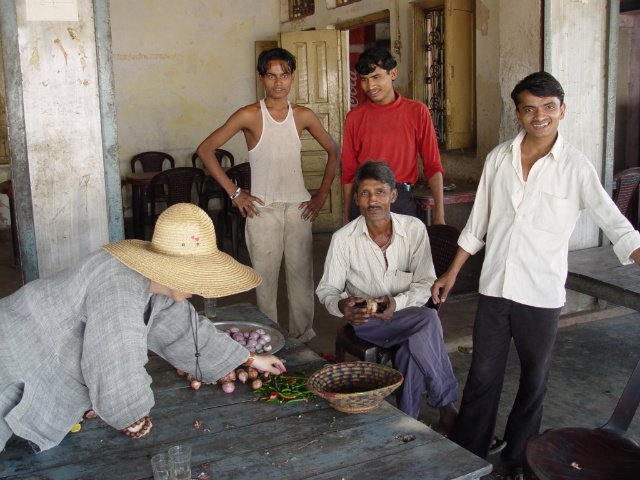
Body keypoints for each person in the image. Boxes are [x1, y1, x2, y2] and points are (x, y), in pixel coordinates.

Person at [430, 71, 640, 480]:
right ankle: (469, 454)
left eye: (548, 107)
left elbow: (613, 223)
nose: (539, 116)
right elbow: (479, 224)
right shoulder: (498, 158)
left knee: (533, 382)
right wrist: (452, 272)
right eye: (530, 108)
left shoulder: (577, 167)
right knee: (483, 374)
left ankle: (516, 461)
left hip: (541, 294)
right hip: (495, 287)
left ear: (562, 111)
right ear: (518, 113)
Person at [0, 203, 286, 452]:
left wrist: (249, 358)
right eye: (197, 278)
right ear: (173, 272)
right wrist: (131, 416)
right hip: (16, 350)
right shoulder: (119, 285)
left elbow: (183, 329)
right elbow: (115, 359)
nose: (200, 290)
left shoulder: (153, 283)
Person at [197, 47, 339, 344]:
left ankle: (302, 340)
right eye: (271, 75)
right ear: (261, 77)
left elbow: (334, 150)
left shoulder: (302, 115)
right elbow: (206, 150)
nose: (278, 82)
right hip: (261, 212)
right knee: (265, 282)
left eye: (284, 75)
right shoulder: (249, 114)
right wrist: (235, 193)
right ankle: (271, 340)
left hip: (299, 210)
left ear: (292, 77)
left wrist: (321, 195)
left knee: (301, 280)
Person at [316, 161, 458, 433]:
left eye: (380, 192)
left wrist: (398, 303)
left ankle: (407, 419)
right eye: (365, 193)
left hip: (406, 314)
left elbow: (426, 282)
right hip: (366, 321)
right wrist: (342, 305)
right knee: (427, 321)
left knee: (411, 343)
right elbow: (327, 290)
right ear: (356, 198)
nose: (373, 200)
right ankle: (446, 406)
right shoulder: (343, 239)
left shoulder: (414, 229)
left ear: (393, 196)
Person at [341, 47, 445, 225]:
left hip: (401, 199)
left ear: (393, 73)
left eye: (376, 77)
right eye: (364, 80)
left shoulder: (417, 112)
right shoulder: (355, 117)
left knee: (403, 252)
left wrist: (439, 215)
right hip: (364, 199)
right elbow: (349, 172)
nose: (370, 86)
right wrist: (346, 217)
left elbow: (433, 165)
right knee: (364, 252)